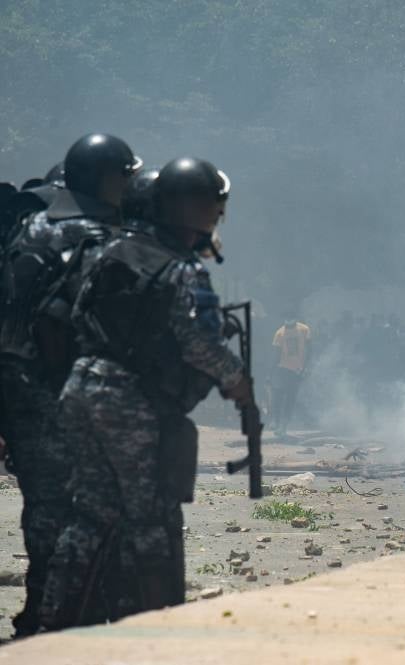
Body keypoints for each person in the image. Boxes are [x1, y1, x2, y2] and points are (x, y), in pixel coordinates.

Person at [40, 157, 249, 630]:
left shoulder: (107, 249)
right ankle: (156, 630)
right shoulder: (177, 267)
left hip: (81, 387)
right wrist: (237, 381)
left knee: (89, 514)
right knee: (152, 518)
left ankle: (52, 623)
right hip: (130, 402)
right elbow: (197, 343)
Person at [0, 134, 141, 637]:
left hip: (20, 391)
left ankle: (43, 611)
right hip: (75, 393)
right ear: (107, 177)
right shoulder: (100, 236)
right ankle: (76, 615)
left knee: (45, 508)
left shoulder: (27, 229)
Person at [272, 311, 311, 436]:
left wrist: (306, 367)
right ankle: (277, 422)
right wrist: (273, 371)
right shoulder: (279, 333)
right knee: (278, 396)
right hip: (282, 369)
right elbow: (276, 354)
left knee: (290, 398)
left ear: (295, 318)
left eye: (290, 318)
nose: (288, 321)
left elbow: (310, 349)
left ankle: (283, 425)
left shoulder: (304, 329)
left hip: (297, 371)